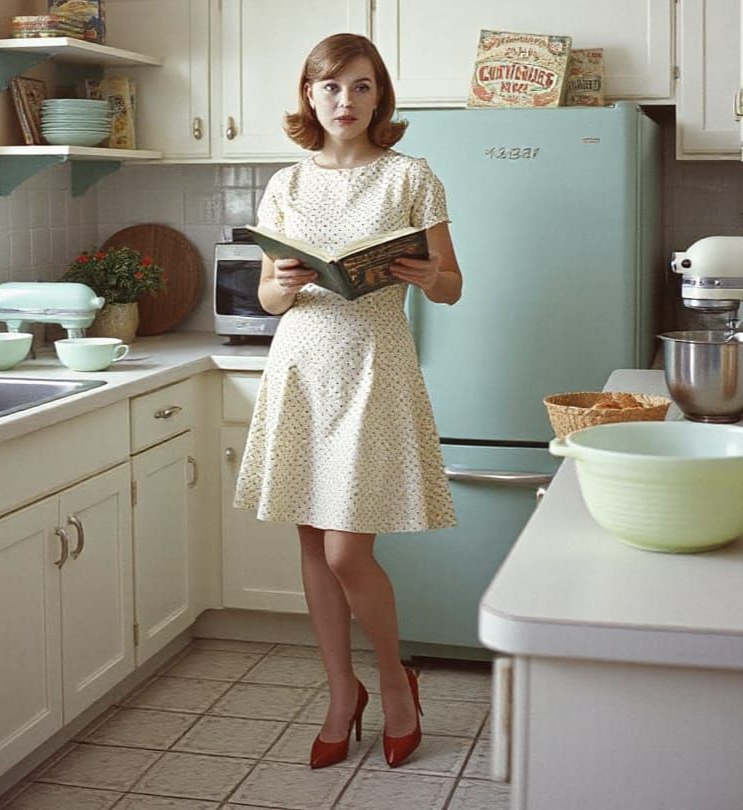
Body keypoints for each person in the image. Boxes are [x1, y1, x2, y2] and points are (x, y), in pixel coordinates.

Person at [234, 32, 462, 769]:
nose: (345, 101)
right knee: (310, 541)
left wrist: (423, 275)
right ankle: (341, 691)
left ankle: (394, 682)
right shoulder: (286, 185)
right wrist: (285, 282)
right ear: (309, 94)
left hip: (374, 364)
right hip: (302, 366)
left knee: (345, 548)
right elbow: (269, 296)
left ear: (379, 96)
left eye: (361, 87)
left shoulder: (412, 178)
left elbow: (453, 284)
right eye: (330, 87)